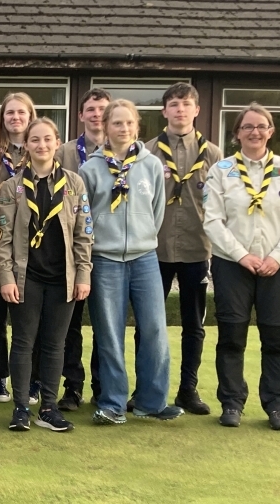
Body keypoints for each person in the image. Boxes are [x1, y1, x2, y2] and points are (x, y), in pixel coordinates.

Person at [203, 103, 280, 430]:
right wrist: (241, 255)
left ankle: (276, 405)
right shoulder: (221, 170)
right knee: (232, 336)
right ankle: (232, 402)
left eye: (261, 126)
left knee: (276, 337)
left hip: (276, 267)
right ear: (237, 134)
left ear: (271, 131)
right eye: (247, 127)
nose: (255, 132)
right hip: (233, 265)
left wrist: (277, 257)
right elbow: (213, 220)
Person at [79, 99, 182, 425]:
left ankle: (151, 401)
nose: (123, 128)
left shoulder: (151, 165)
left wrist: (143, 238)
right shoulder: (90, 169)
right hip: (105, 260)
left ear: (137, 126)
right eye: (116, 123)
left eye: (128, 123)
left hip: (144, 258)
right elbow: (86, 218)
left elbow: (156, 210)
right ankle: (112, 404)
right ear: (105, 128)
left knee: (154, 330)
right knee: (109, 333)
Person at [0, 118, 93, 432]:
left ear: (56, 143)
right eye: (35, 140)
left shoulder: (74, 183)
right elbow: (3, 237)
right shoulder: (11, 187)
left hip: (62, 276)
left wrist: (83, 273)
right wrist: (6, 276)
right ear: (26, 144)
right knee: (23, 342)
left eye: (47, 139)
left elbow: (84, 234)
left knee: (55, 344)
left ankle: (49, 408)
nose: (41, 145)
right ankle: (22, 407)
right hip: (27, 276)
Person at [142, 82, 223, 416]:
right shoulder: (147, 152)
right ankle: (145, 389)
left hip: (195, 249)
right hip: (154, 250)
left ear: (196, 110)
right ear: (164, 111)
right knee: (149, 324)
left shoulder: (214, 155)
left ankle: (188, 389)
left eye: (185, 104)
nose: (179, 110)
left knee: (194, 325)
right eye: (173, 104)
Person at [54, 88, 110, 412]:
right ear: (81, 115)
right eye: (90, 109)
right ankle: (72, 387)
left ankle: (103, 388)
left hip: (107, 251)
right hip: (70, 252)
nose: (96, 114)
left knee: (104, 324)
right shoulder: (63, 153)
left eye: (102, 109)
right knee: (70, 326)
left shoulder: (120, 154)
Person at [0, 92, 37, 404]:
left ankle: (29, 379)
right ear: (2, 119)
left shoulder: (39, 151)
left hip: (31, 247)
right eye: (9, 113)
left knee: (27, 319)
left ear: (30, 117)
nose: (15, 118)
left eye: (21, 113)